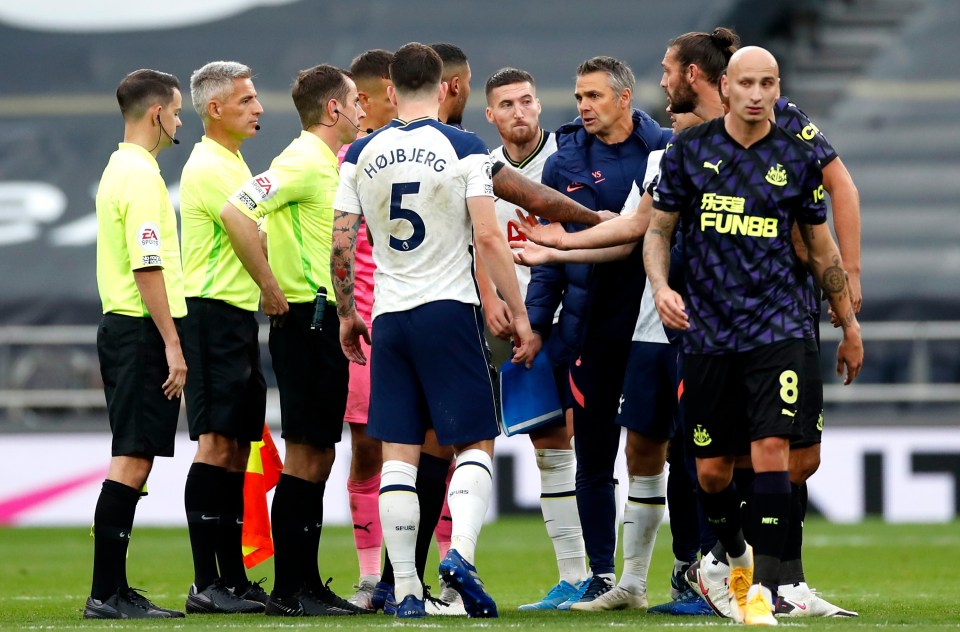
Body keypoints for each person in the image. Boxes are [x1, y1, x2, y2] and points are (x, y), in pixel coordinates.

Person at [643, 46, 863, 625]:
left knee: (775, 452)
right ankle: (731, 558)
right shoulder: (690, 151)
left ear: (777, 86)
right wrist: (661, 287)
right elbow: (658, 230)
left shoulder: (796, 156)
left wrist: (849, 321)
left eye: (768, 82)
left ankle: (767, 590)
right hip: (709, 331)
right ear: (726, 86)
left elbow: (819, 248)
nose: (758, 93)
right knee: (712, 472)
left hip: (778, 327)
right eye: (747, 83)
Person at [331, 42, 537, 619]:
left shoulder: (360, 152)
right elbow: (490, 237)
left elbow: (342, 239)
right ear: (446, 88)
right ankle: (461, 559)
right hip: (450, 307)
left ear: (390, 91)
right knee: (473, 440)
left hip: (390, 317)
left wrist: (349, 313)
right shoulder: (463, 145)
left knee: (399, 451)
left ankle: (403, 591)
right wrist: (517, 314)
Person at [220, 63, 371, 617]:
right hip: (308, 323)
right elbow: (235, 210)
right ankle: (291, 590)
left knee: (319, 455)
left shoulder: (323, 163)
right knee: (307, 455)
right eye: (355, 102)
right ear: (334, 109)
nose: (361, 111)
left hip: (319, 323)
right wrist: (270, 286)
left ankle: (303, 584)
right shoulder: (303, 161)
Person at [523, 55, 671, 611]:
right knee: (593, 453)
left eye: (594, 96)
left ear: (624, 96)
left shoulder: (663, 151)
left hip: (655, 331)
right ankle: (603, 576)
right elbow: (551, 258)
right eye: (579, 96)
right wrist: (536, 324)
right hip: (592, 330)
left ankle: (679, 572)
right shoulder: (565, 163)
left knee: (657, 449)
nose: (583, 106)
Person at [482, 67, 588, 611]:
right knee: (550, 448)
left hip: (578, 321)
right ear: (491, 115)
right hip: (520, 330)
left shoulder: (566, 160)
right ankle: (576, 575)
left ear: (539, 107)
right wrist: (494, 302)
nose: (519, 111)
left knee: (603, 445)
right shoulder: (481, 172)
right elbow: (477, 245)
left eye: (527, 101)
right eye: (507, 104)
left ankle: (622, 572)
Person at [84, 68, 187, 620]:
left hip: (125, 327)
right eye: (175, 111)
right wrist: (172, 341)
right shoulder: (142, 177)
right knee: (131, 458)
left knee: (134, 455)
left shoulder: (118, 167)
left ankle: (111, 590)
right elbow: (148, 264)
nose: (178, 120)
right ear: (156, 115)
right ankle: (106, 593)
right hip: (139, 329)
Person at [177, 61, 268, 615]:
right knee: (215, 442)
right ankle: (203, 583)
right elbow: (246, 232)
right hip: (210, 314)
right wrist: (273, 289)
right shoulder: (210, 166)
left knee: (236, 445)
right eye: (247, 100)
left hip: (233, 316)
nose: (259, 108)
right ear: (215, 109)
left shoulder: (232, 160)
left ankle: (231, 580)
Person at [340, 49, 395, 611]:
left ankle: (433, 574)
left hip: (421, 317)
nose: (362, 108)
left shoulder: (432, 149)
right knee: (367, 451)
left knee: (436, 448)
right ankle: (368, 576)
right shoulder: (341, 162)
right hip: (367, 332)